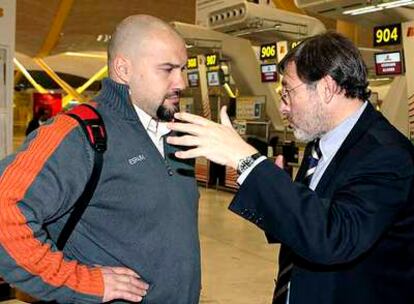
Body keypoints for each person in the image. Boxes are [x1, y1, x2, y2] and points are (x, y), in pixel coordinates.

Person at [167, 32, 414, 304]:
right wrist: (279, 188)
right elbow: (306, 225)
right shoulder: (321, 143)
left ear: (326, 88)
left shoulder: (386, 154)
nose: (283, 108)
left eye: (288, 92)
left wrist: (248, 161)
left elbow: (334, 238)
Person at [0, 15, 201, 303]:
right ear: (123, 68)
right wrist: (83, 282)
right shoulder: (78, 134)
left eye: (183, 68)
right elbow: (4, 213)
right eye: (167, 69)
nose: (180, 82)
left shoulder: (175, 135)